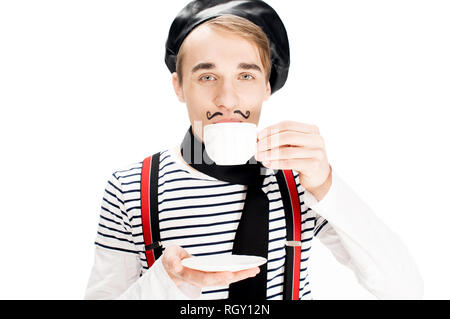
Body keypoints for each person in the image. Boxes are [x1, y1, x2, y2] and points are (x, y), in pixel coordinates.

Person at [84, 0, 423, 300]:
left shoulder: (300, 180)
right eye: (206, 77)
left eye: (245, 76)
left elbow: (404, 289)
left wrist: (326, 185)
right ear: (179, 86)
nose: (227, 100)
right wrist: (167, 282)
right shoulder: (130, 187)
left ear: (267, 85)